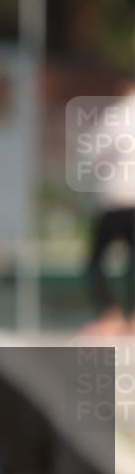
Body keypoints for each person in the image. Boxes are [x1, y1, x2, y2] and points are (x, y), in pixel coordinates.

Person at [79, 82, 135, 336]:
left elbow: (91, 154)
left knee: (95, 262)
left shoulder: (118, 116)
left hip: (116, 202)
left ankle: (110, 315)